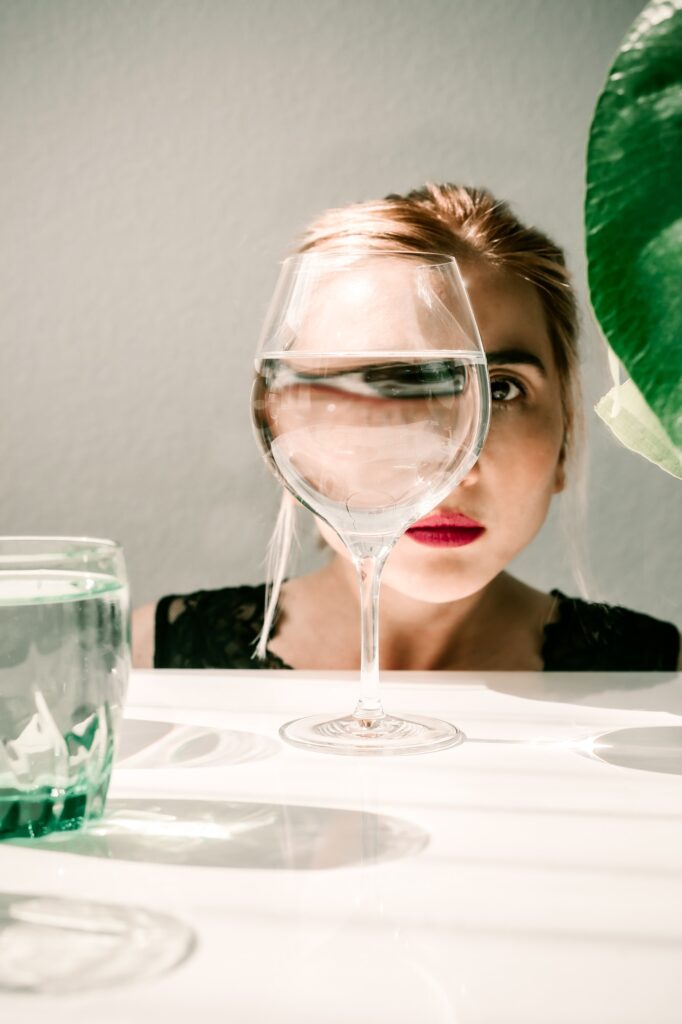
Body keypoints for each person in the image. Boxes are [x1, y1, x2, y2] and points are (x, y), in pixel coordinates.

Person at [133, 183, 680, 672]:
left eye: (500, 390)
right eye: (382, 386)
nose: (448, 468)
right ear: (287, 434)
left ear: (565, 433)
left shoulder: (661, 674)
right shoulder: (139, 662)